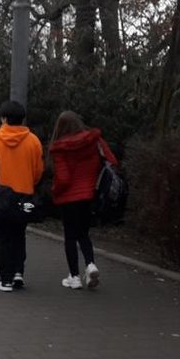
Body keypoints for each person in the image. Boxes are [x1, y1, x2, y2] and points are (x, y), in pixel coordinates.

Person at [0, 100, 45, 292]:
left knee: (2, 238)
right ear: (22, 119)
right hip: (24, 196)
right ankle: (18, 273)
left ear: (3, 119)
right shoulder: (33, 141)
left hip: (0, 197)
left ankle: (5, 278)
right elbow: (38, 171)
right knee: (19, 235)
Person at [49, 111, 117, 290]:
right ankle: (90, 265)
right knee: (84, 234)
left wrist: (55, 191)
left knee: (70, 237)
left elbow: (63, 179)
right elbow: (111, 161)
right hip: (90, 195)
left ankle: (74, 276)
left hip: (69, 198)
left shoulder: (60, 148)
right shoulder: (95, 141)